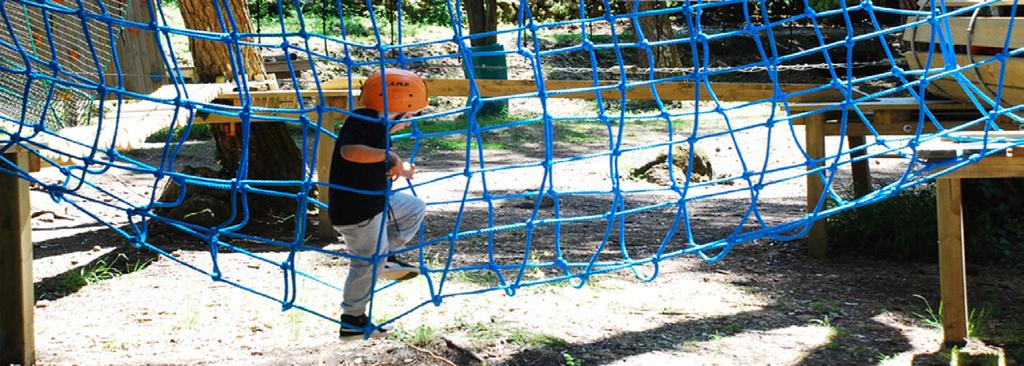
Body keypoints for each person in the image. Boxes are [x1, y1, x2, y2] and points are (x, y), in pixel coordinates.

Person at [330, 69, 428, 340]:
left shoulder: (377, 126)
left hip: (376, 203)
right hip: (357, 210)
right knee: (365, 265)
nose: (408, 122)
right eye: (408, 116)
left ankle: (387, 258)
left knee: (414, 207)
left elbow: (374, 162)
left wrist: (400, 166)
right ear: (396, 106)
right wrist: (391, 155)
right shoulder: (365, 121)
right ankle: (352, 320)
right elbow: (350, 152)